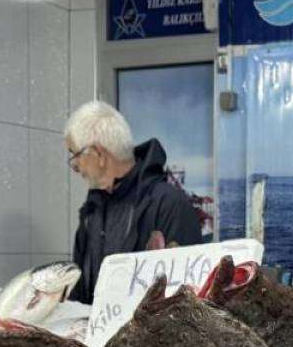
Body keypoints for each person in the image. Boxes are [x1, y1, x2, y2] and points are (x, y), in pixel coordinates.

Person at [65, 100, 203, 304]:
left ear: (99, 154)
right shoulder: (91, 210)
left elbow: (186, 301)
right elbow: (79, 292)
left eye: (74, 155)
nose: (75, 166)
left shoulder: (170, 206)